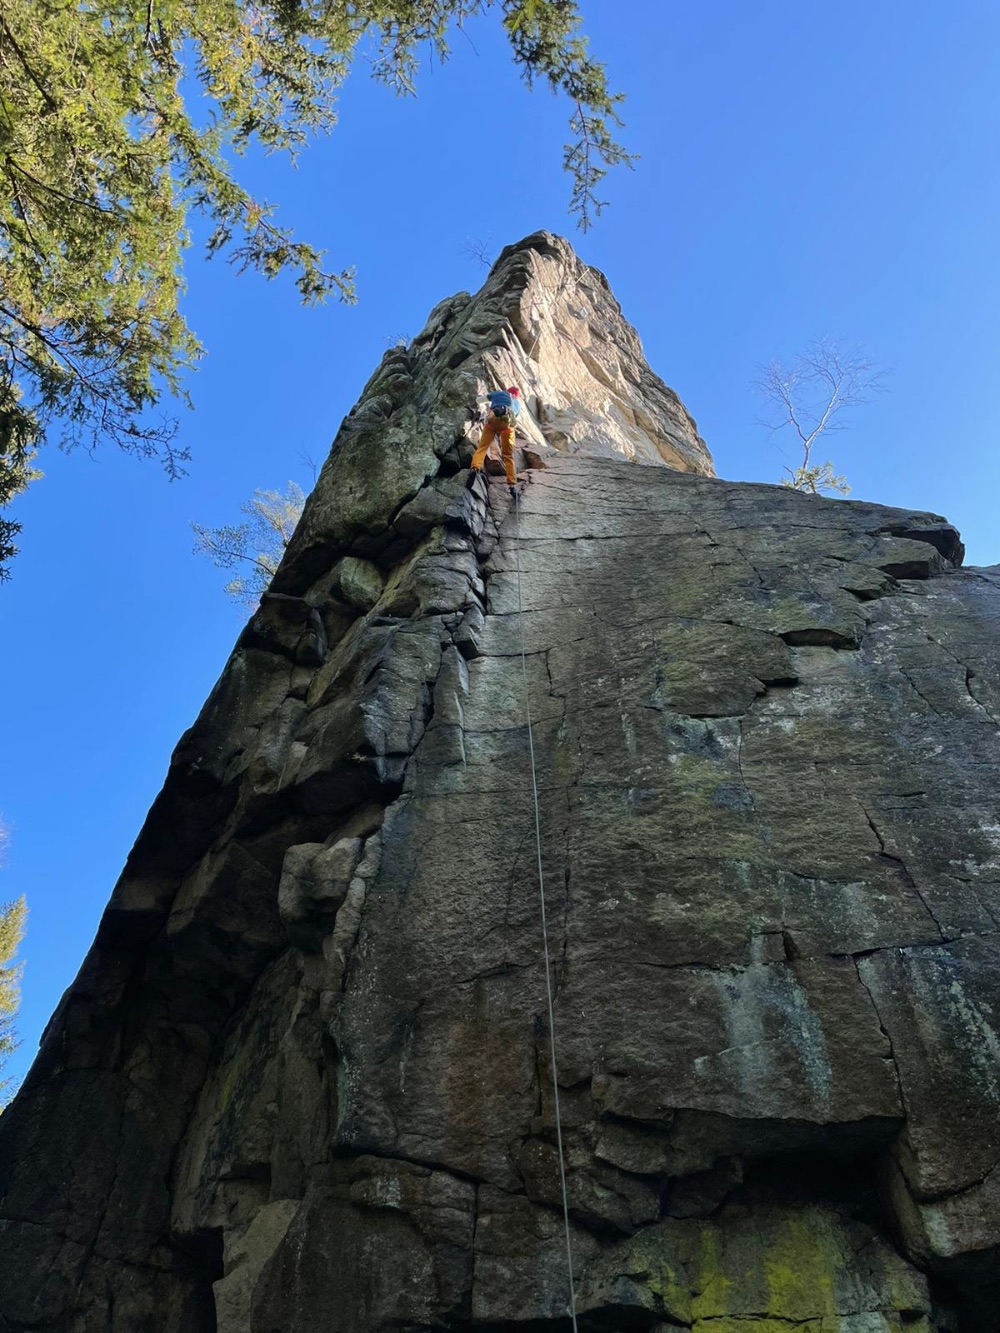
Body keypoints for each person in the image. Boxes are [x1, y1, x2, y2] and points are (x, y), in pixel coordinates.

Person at [471, 386, 521, 495]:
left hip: (493, 418)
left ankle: (475, 468)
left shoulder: (498, 393)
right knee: (508, 455)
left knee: (483, 447)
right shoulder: (517, 402)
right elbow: (515, 416)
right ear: (516, 396)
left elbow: (479, 400)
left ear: (507, 391)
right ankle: (512, 485)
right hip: (507, 421)